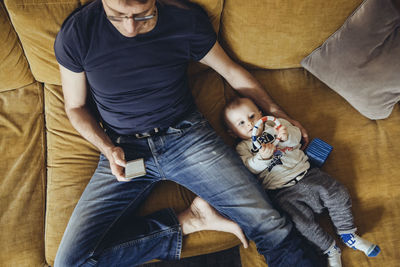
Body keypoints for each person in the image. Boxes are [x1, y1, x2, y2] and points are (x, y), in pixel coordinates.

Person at [53, 0, 320, 266]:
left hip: (186, 138)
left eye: (143, 16)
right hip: (124, 149)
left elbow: (230, 71)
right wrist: (106, 148)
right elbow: (75, 107)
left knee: (269, 225)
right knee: (71, 263)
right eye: (117, 16)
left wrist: (275, 109)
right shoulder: (77, 33)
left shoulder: (184, 20)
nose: (130, 27)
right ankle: (187, 222)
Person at [223, 97, 381, 267]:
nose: (250, 124)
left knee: (337, 192)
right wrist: (262, 157)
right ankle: (330, 249)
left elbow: (297, 138)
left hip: (308, 175)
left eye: (252, 116)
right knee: (300, 224)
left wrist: (286, 137)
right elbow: (249, 168)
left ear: (261, 114)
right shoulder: (243, 148)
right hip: (283, 192)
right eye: (241, 123)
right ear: (232, 132)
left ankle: (348, 234)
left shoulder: (276, 125)